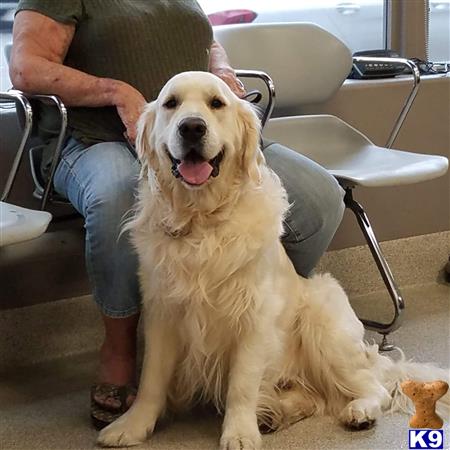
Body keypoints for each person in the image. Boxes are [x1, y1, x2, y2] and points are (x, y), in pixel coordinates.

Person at [10, 0, 345, 429]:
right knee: (118, 195)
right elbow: (26, 69)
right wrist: (116, 91)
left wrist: (221, 72)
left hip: (205, 133)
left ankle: (254, 342)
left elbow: (206, 42)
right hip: (92, 139)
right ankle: (120, 354)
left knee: (319, 196)